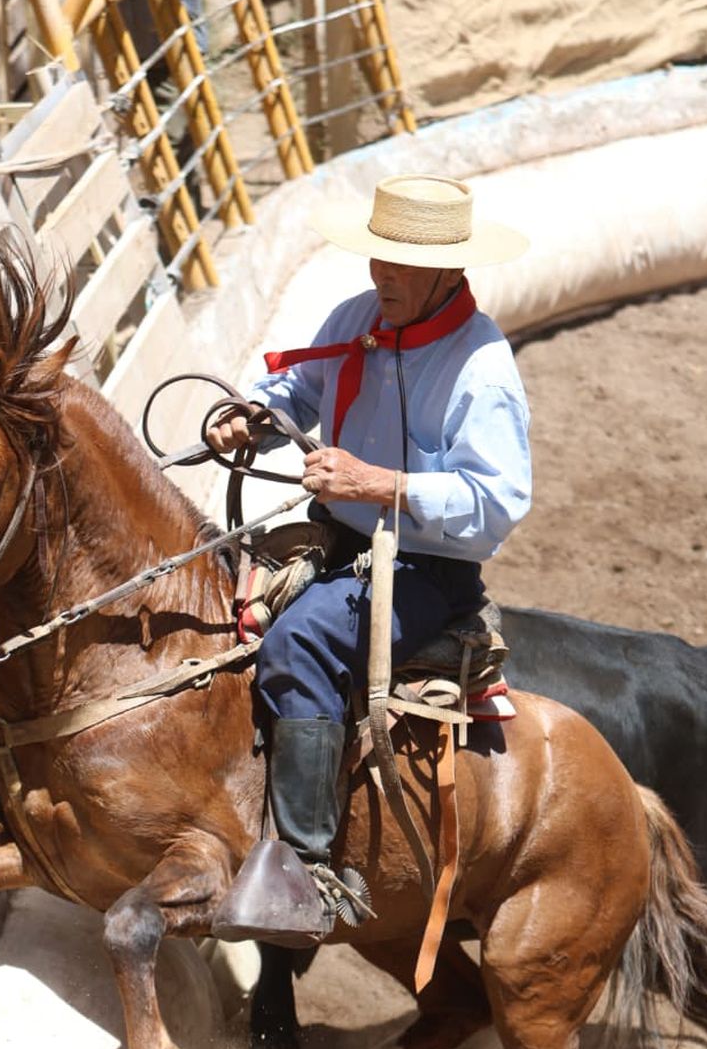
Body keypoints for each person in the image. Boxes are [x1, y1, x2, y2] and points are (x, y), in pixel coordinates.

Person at [209, 174, 532, 945]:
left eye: (396, 264)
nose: (377, 276)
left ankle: (307, 868)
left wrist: (380, 483)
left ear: (448, 272)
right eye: (375, 258)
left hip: (426, 566)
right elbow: (297, 387)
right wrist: (251, 417)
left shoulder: (482, 370)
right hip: (342, 536)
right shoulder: (361, 317)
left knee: (300, 641)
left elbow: (499, 504)